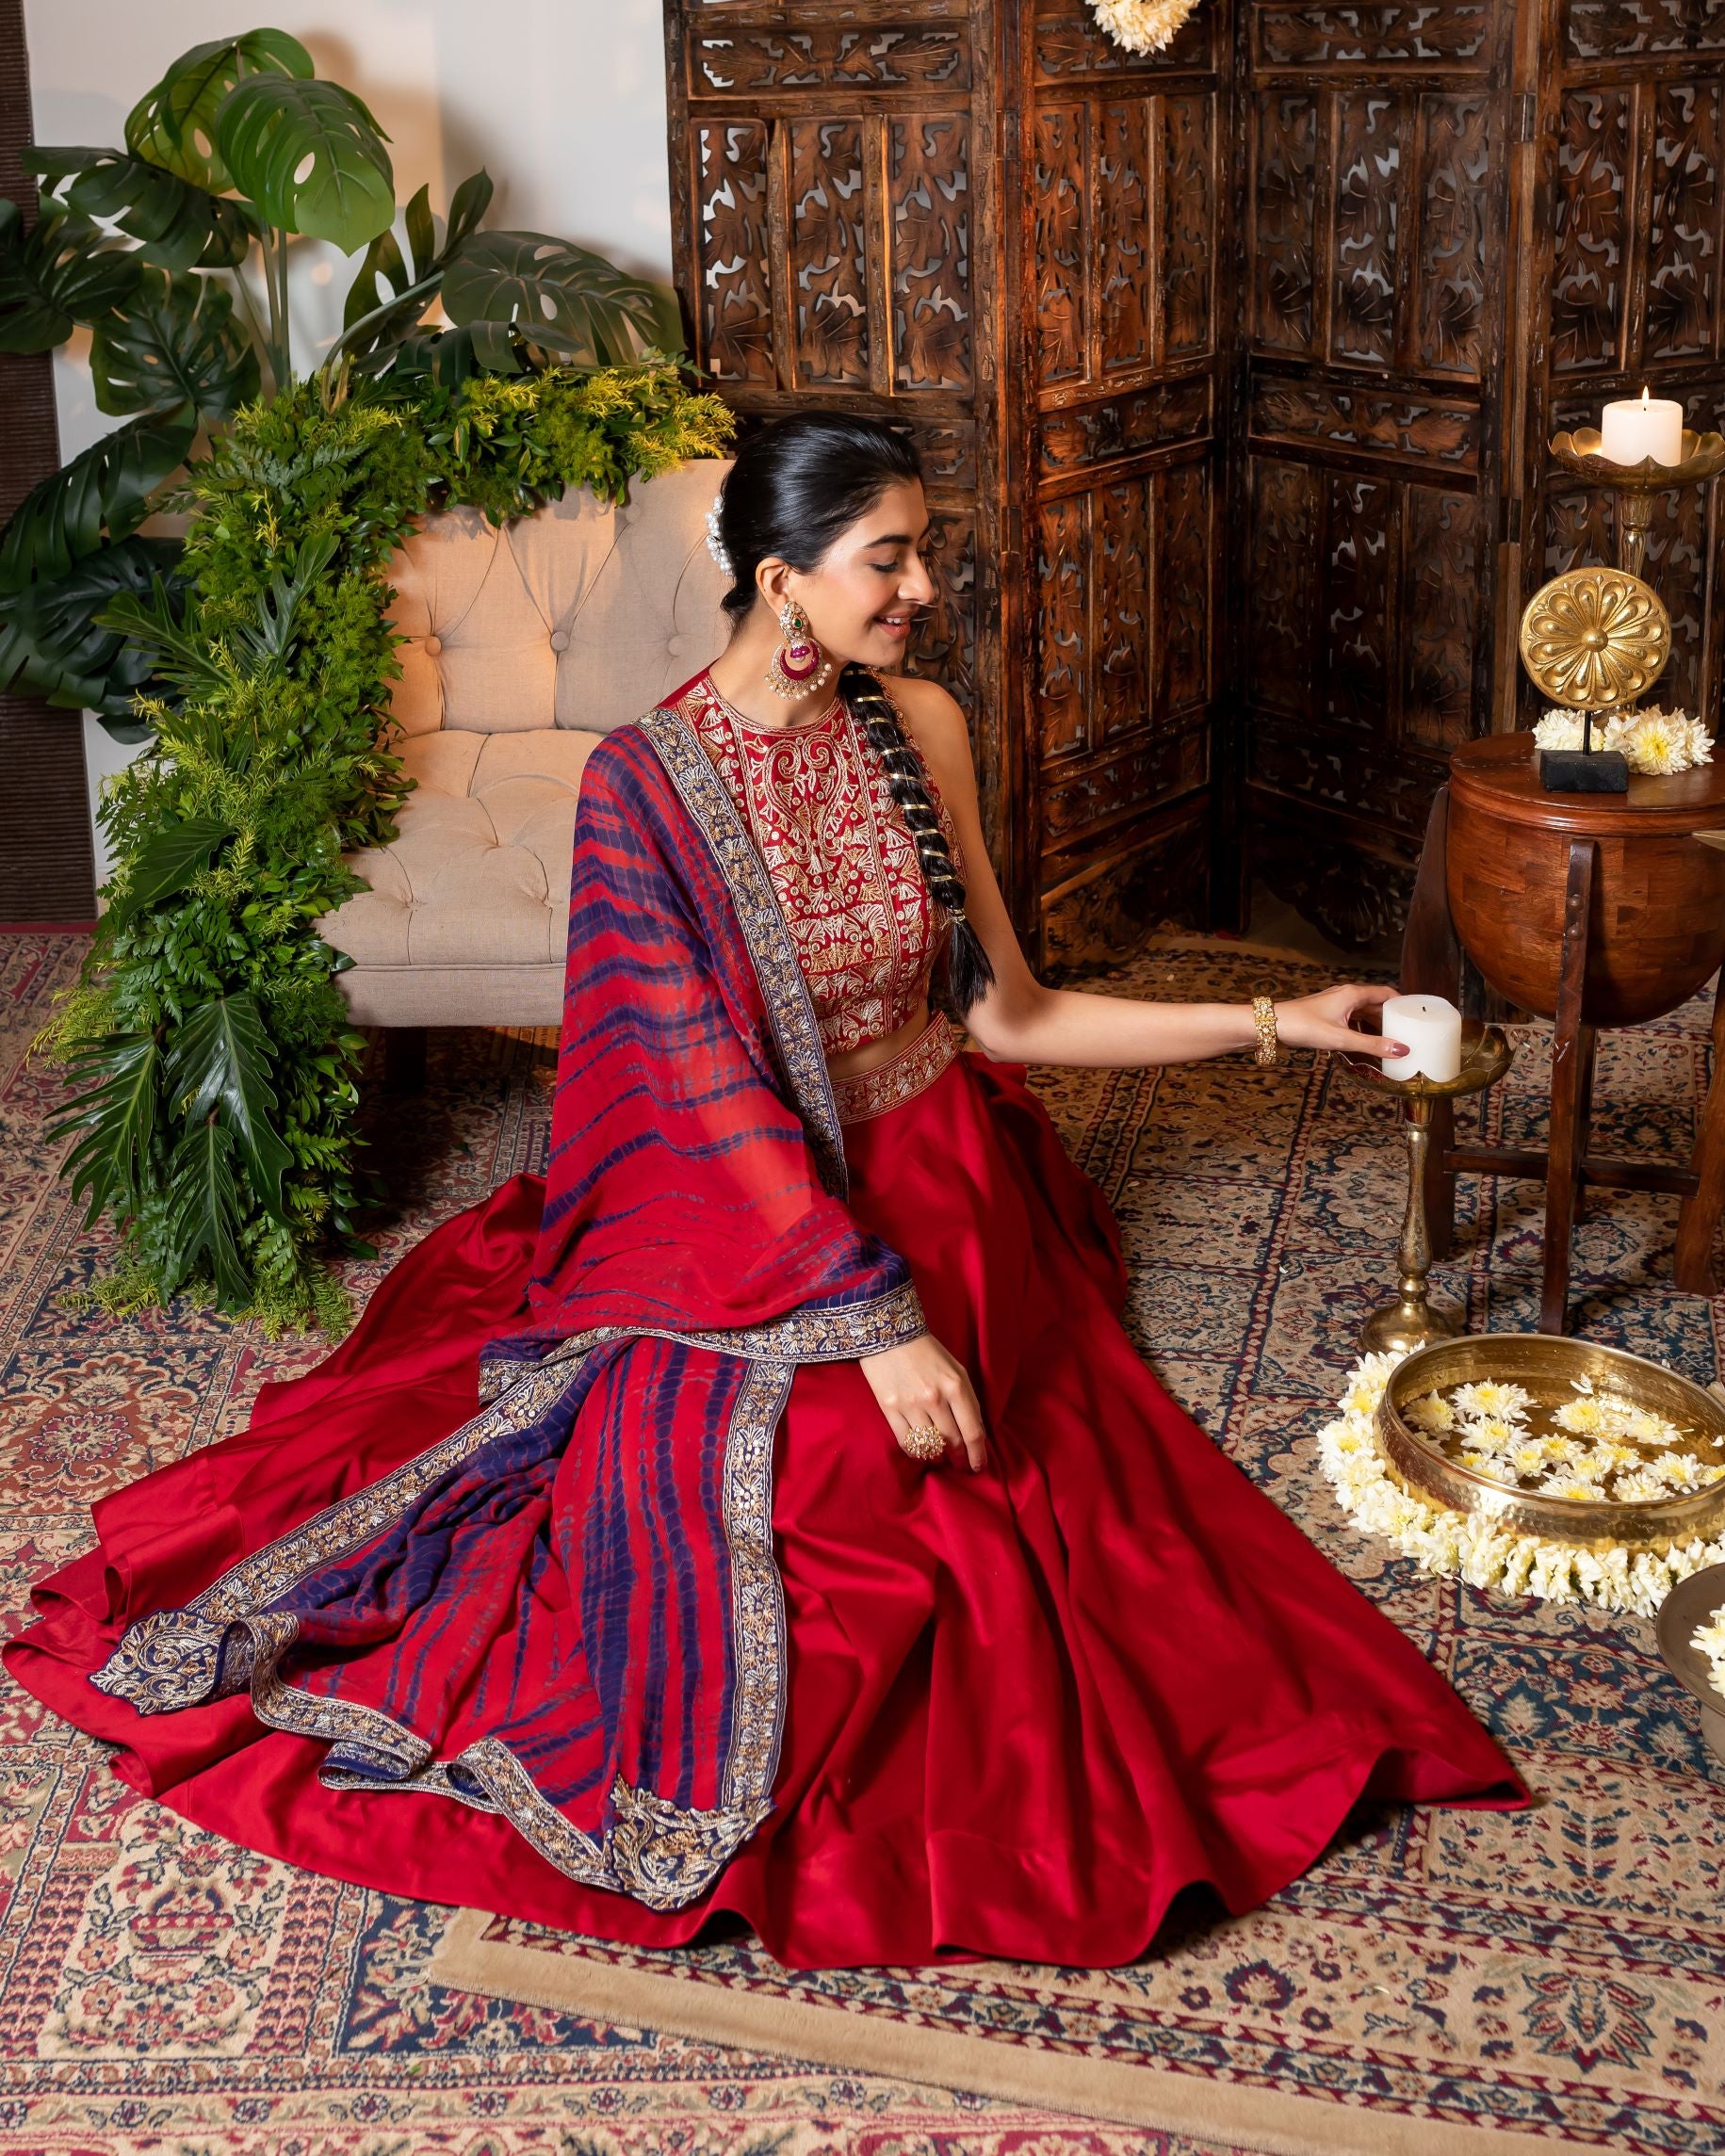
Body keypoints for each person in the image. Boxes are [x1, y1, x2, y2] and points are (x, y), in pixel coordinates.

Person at [7, 413, 1523, 1970]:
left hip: (949, 1179)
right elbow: (698, 1103)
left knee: (989, 1513)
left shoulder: (914, 725)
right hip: (747, 1222)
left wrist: (1282, 1022)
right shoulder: (643, 790)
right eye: (892, 557)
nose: (926, 583)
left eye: (923, 550)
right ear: (782, 580)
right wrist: (875, 1321)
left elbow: (1011, 1014)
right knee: (787, 1523)